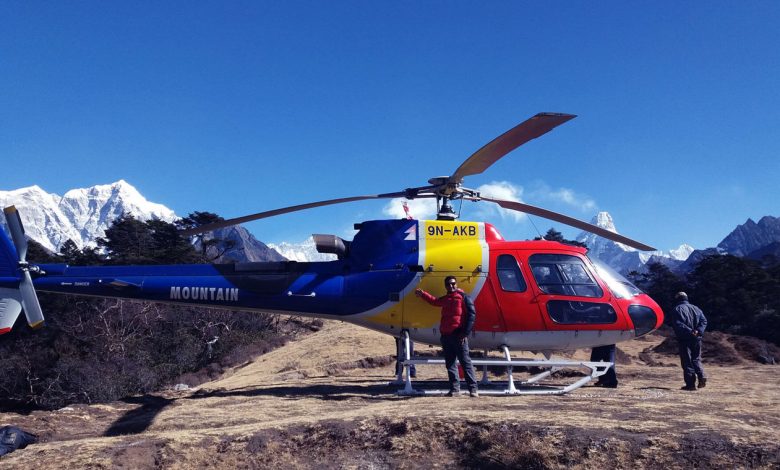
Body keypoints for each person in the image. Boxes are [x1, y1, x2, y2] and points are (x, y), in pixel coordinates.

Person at [415, 276, 479, 397]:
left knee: (465, 363)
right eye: (449, 284)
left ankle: (473, 389)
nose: (451, 286)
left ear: (456, 283)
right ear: (445, 286)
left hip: (459, 336)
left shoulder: (464, 298)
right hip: (446, 336)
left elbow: (472, 316)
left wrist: (465, 333)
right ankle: (455, 390)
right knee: (450, 364)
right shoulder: (446, 299)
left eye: (453, 283)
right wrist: (423, 294)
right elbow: (434, 301)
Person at [670, 291, 708, 391]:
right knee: (696, 358)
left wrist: (690, 331)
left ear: (677, 299)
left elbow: (678, 324)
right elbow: (704, 321)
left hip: (685, 338)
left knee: (687, 361)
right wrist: (698, 331)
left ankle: (690, 385)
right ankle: (702, 375)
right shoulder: (697, 308)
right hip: (697, 338)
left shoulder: (677, 309)